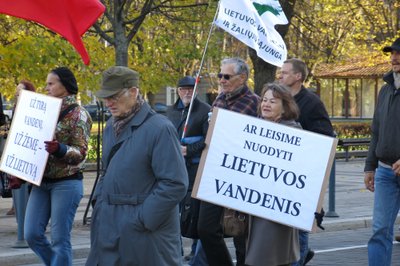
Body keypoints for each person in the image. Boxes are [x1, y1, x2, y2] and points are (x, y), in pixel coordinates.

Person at [86, 66, 188, 265]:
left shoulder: (160, 128)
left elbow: (175, 183)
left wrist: (141, 220)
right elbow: (107, 171)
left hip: (145, 236)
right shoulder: (110, 125)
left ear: (133, 92)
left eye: (114, 96)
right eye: (105, 97)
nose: (108, 103)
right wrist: (100, 204)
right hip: (109, 228)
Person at [24, 67, 92, 265]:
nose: (46, 87)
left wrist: (60, 149)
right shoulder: (42, 110)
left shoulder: (79, 114)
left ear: (65, 85)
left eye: (51, 83)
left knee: (60, 240)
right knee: (31, 234)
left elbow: (80, 153)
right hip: (41, 181)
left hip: (67, 182)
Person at [197, 57, 260, 266]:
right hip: (215, 172)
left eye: (227, 76)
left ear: (242, 78)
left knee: (241, 234)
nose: (222, 80)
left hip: (241, 176)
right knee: (205, 229)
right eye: (220, 75)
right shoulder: (219, 100)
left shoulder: (255, 103)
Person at [279, 58, 334, 266]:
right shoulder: (280, 98)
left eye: (285, 72)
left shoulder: (312, 102)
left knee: (300, 225)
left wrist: (298, 139)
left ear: (298, 77)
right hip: (283, 172)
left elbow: (325, 137)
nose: (281, 76)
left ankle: (300, 257)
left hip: (303, 174)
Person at [245, 82, 300, 266]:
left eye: (273, 101)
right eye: (264, 100)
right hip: (252, 204)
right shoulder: (253, 127)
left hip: (276, 207)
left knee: (268, 257)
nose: (266, 104)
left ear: (285, 107)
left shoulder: (293, 132)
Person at [166, 75, 210, 262]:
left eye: (190, 89)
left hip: (195, 168)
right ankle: (175, 249)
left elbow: (208, 140)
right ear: (177, 90)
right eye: (183, 89)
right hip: (173, 168)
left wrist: (188, 149)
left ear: (196, 90)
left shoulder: (206, 110)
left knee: (193, 209)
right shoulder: (171, 111)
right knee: (172, 209)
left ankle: (195, 248)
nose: (187, 92)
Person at [364, 37, 400, 266]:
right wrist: (370, 166)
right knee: (379, 231)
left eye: (398, 53)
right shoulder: (385, 90)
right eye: (392, 53)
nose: (394, 57)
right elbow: (376, 130)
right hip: (386, 173)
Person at [7, 80, 36, 216]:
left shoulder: (33, 112)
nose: (17, 96)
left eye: (20, 92)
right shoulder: (16, 110)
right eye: (16, 93)